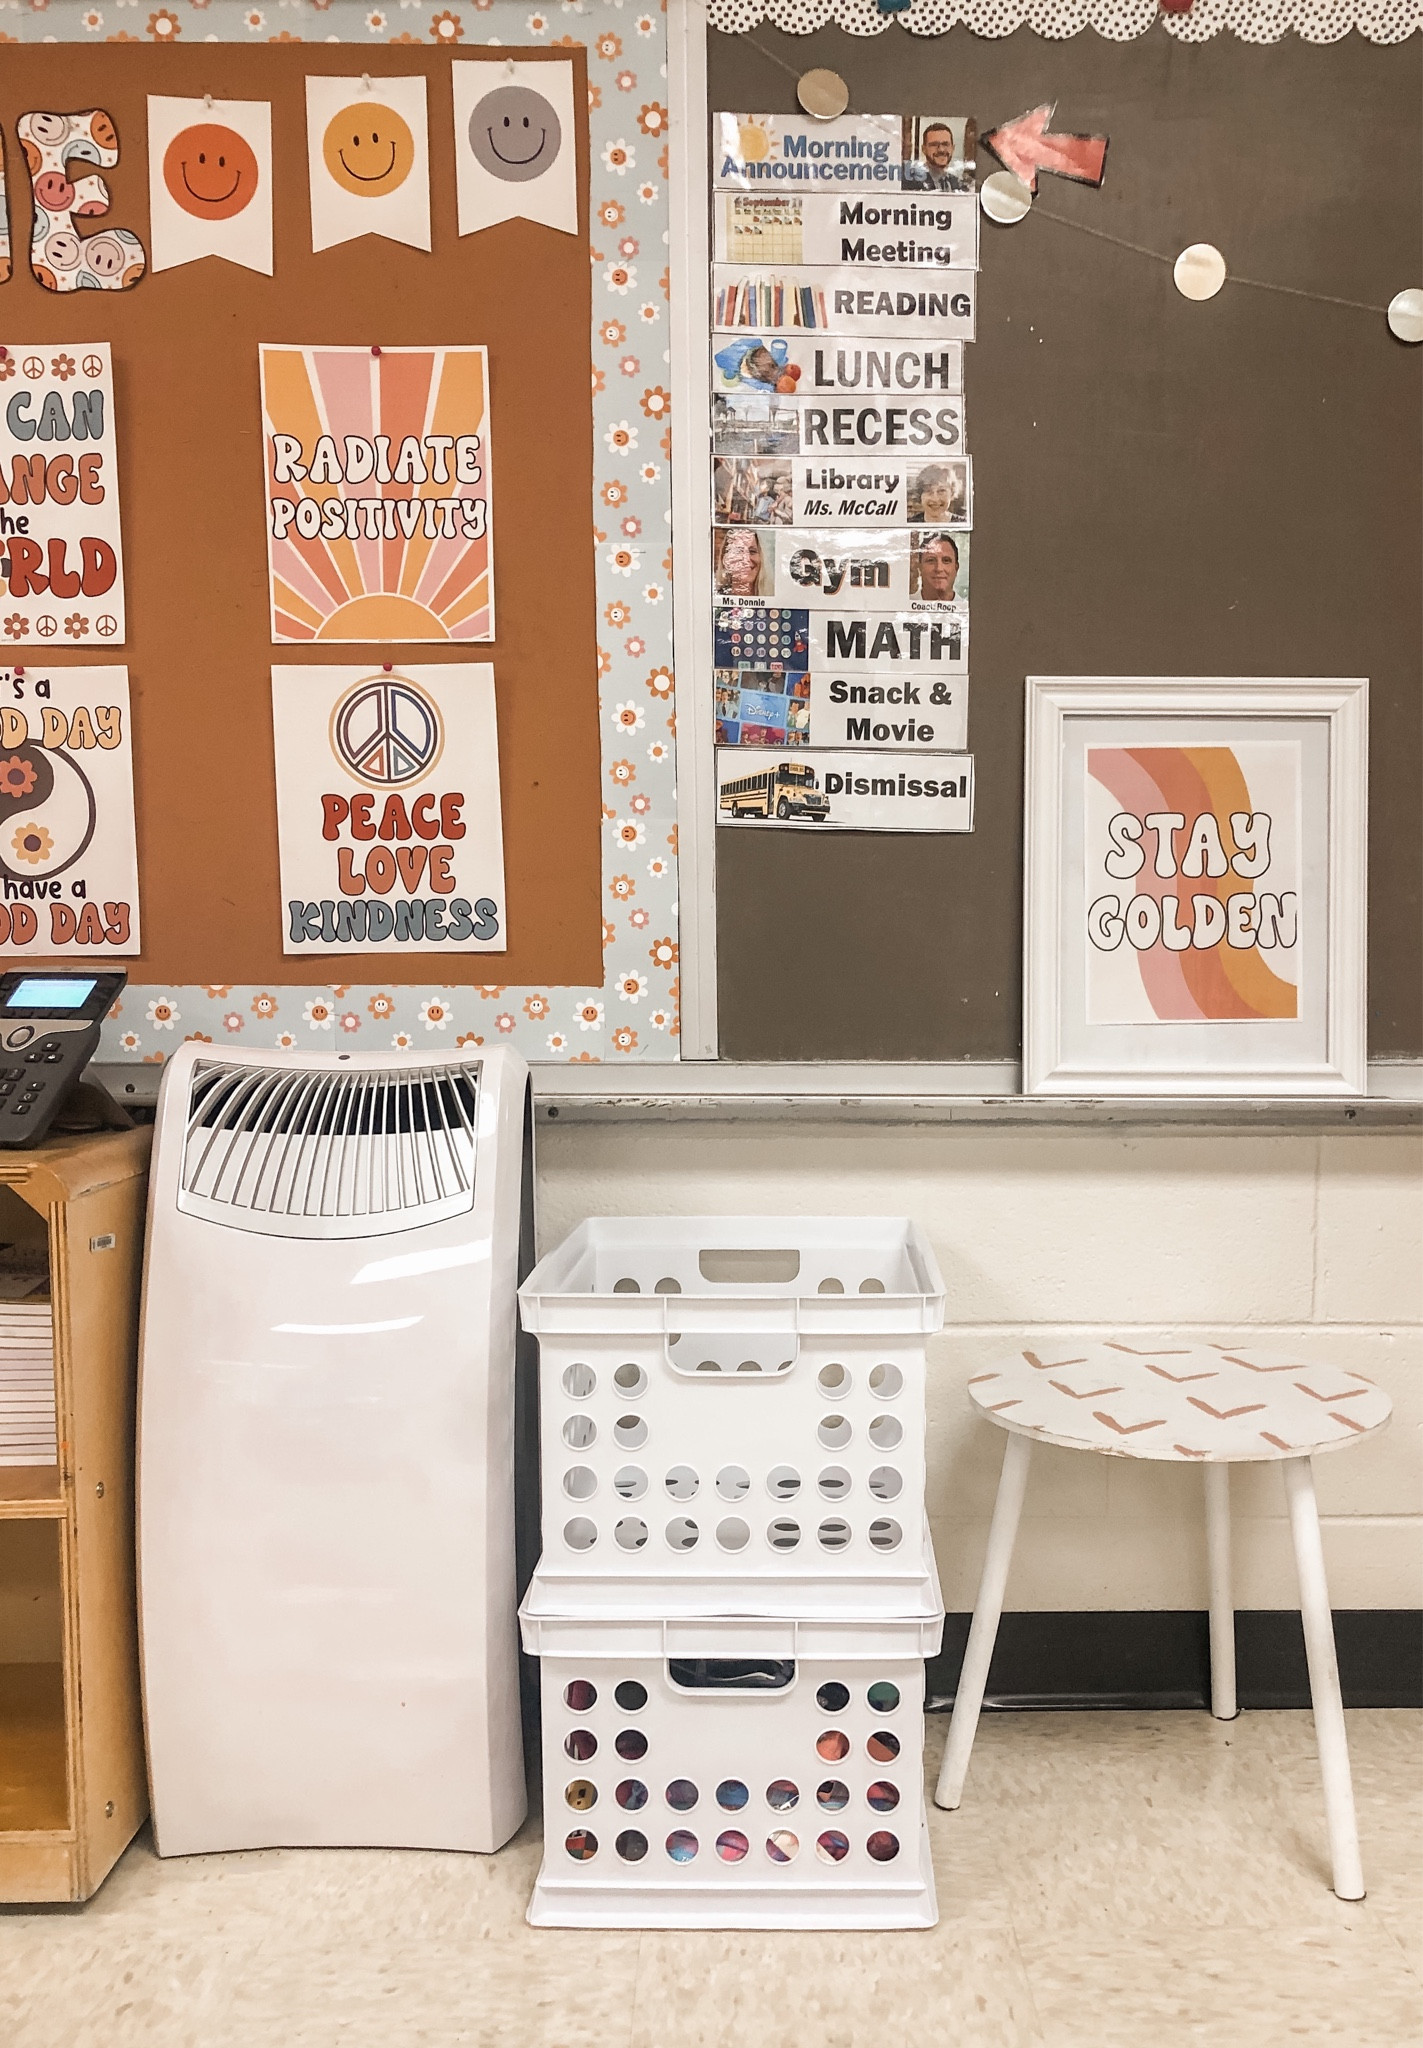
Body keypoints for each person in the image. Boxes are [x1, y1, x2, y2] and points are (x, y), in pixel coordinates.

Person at [902, 121, 965, 194]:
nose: (941, 149)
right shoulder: (911, 182)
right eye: (934, 145)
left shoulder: (956, 183)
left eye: (945, 144)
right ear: (924, 149)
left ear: (953, 148)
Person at [715, 527, 765, 596]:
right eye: (738, 551)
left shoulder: (772, 602)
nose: (746, 559)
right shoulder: (715, 600)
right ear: (725, 558)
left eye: (752, 551)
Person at [915, 532, 961, 602]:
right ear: (920, 568)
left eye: (946, 560)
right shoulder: (901, 606)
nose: (939, 568)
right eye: (931, 560)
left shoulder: (968, 608)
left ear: (956, 568)